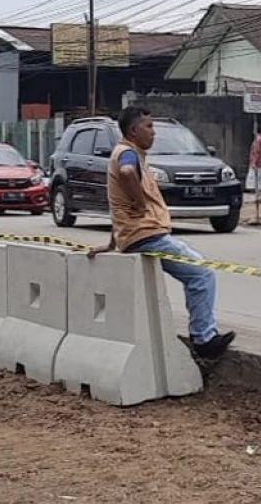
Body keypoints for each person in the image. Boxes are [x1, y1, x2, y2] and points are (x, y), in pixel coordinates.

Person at [88, 107, 235, 360]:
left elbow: (118, 205)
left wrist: (112, 242)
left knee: (198, 273)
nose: (153, 133)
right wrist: (140, 202)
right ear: (133, 130)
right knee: (202, 274)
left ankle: (202, 336)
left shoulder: (129, 154)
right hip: (147, 235)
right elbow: (126, 175)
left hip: (137, 235)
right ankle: (204, 339)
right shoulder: (127, 154)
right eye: (149, 126)